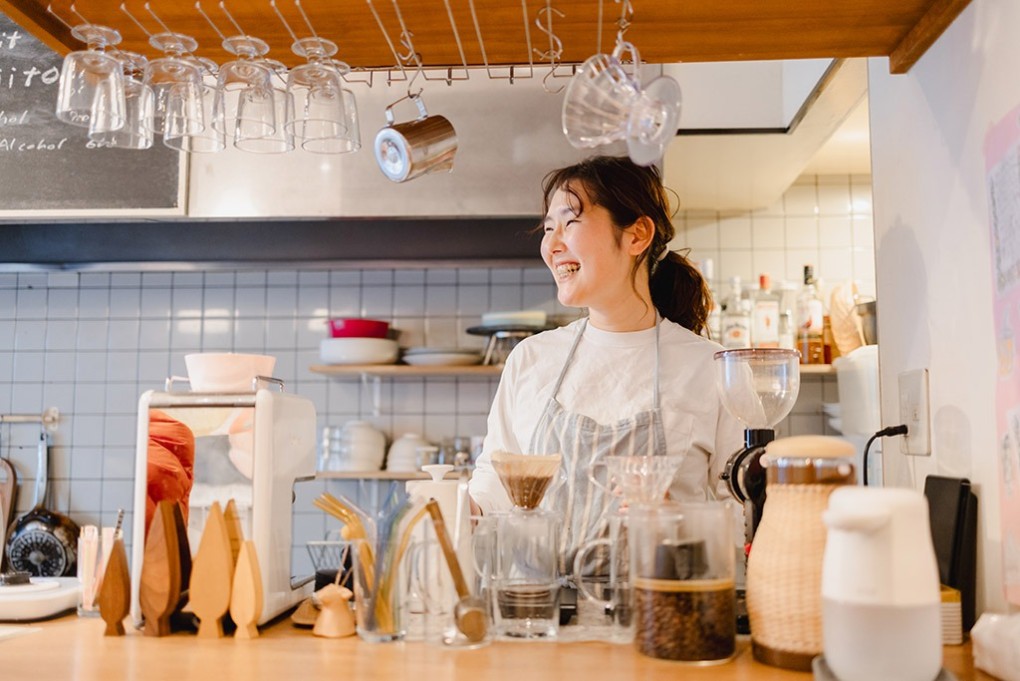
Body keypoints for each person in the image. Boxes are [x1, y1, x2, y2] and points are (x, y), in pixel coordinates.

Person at [469, 155, 743, 573]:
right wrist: (457, 508)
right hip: (538, 619)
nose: (551, 244)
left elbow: (746, 517)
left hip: (660, 621)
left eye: (570, 222)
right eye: (548, 228)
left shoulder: (712, 367)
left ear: (637, 235)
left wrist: (681, 522)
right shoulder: (532, 359)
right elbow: (494, 479)